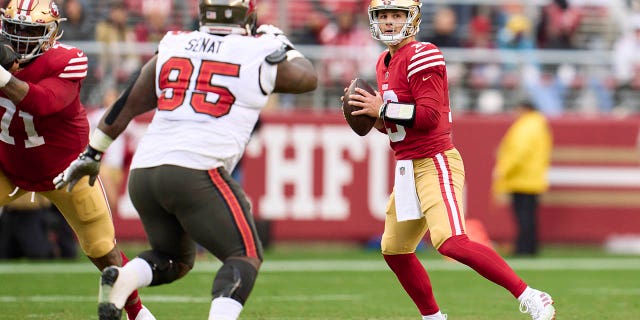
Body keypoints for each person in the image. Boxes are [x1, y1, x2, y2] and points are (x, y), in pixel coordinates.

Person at [53, 1, 318, 319]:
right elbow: (307, 78)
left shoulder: (176, 43)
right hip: (196, 170)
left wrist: (93, 152)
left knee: (174, 258)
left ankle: (125, 278)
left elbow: (129, 102)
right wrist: (282, 43)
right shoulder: (258, 50)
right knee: (244, 255)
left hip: (145, 171)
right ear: (248, 17)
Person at [342, 1, 556, 319]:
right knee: (395, 251)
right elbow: (394, 127)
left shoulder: (423, 53)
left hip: (434, 160)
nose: (388, 22)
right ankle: (433, 317)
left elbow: (428, 117)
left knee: (451, 242)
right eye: (383, 16)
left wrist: (381, 109)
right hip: (407, 168)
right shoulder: (383, 62)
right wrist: (368, 114)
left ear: (412, 17)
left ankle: (531, 296)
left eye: (396, 15)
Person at [0, 1, 155, 319]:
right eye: (13, 29)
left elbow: (41, 102)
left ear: (50, 34)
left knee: (102, 249)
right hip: (7, 164)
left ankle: (138, 312)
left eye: (27, 32)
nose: (17, 38)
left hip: (65, 171)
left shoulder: (68, 60)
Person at [492, 101, 552, 256]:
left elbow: (519, 152)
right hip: (532, 178)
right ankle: (529, 247)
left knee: (523, 216)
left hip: (521, 178)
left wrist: (504, 169)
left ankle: (523, 248)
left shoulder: (526, 126)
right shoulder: (539, 125)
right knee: (529, 216)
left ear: (524, 109)